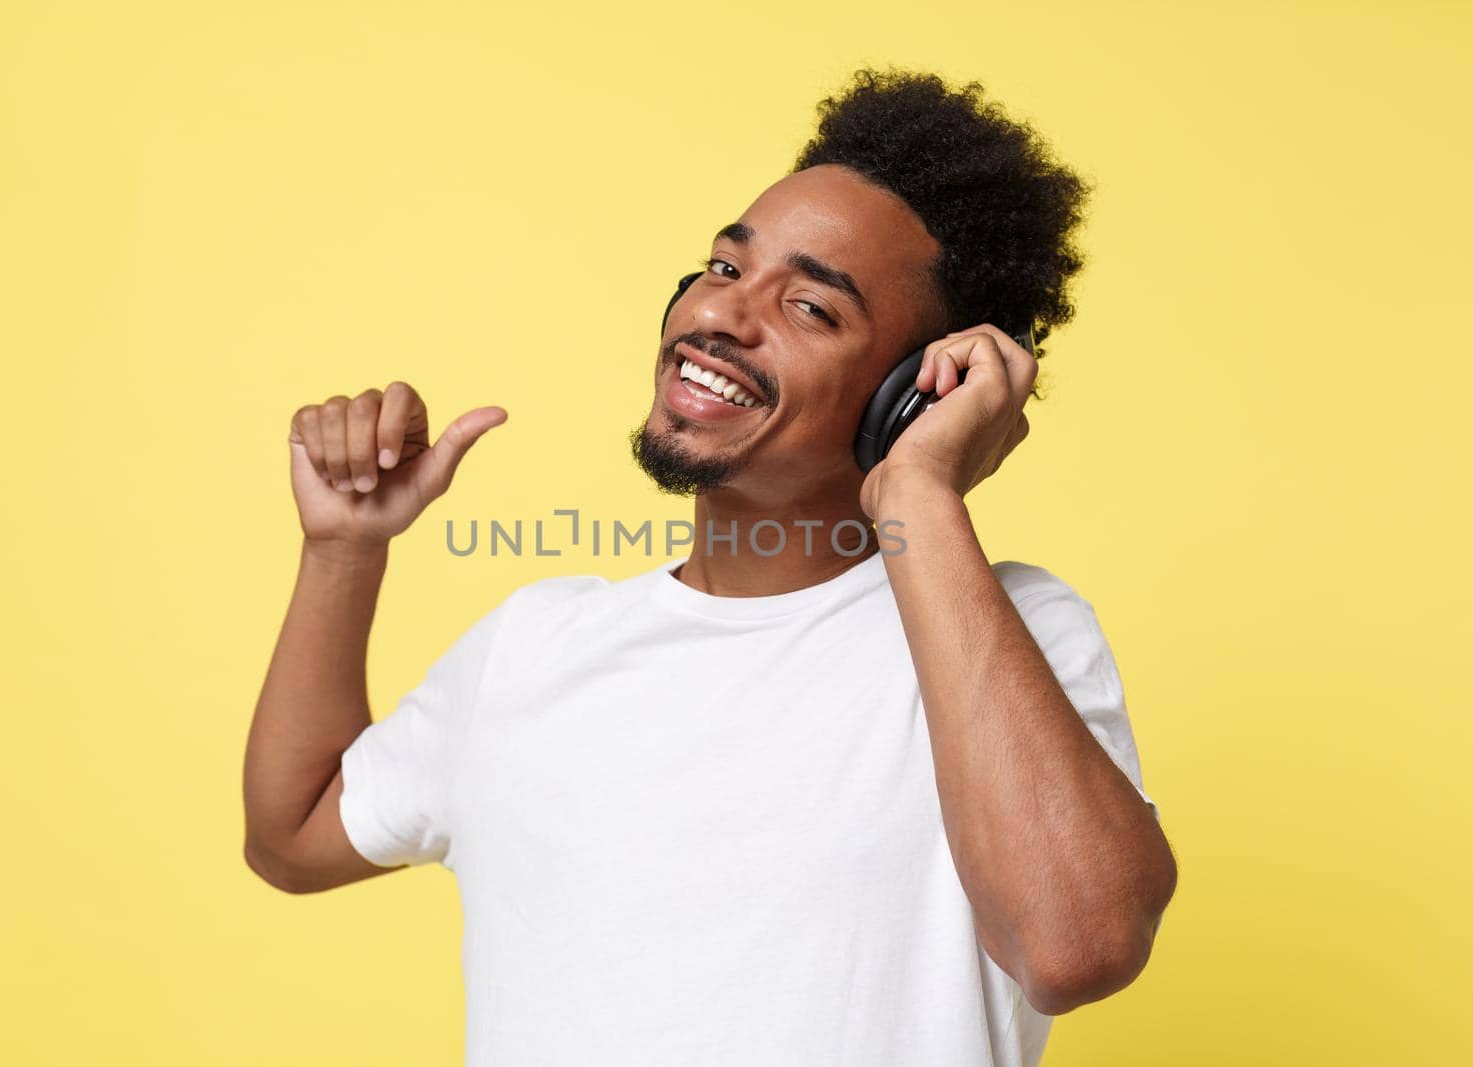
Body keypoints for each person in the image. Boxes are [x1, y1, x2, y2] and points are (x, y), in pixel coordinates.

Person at [242, 65, 1177, 1067]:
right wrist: (344, 550)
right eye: (726, 268)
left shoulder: (1013, 636)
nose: (722, 317)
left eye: (814, 309)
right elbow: (291, 835)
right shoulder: (537, 643)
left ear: (913, 392)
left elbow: (1073, 946)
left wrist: (919, 496)